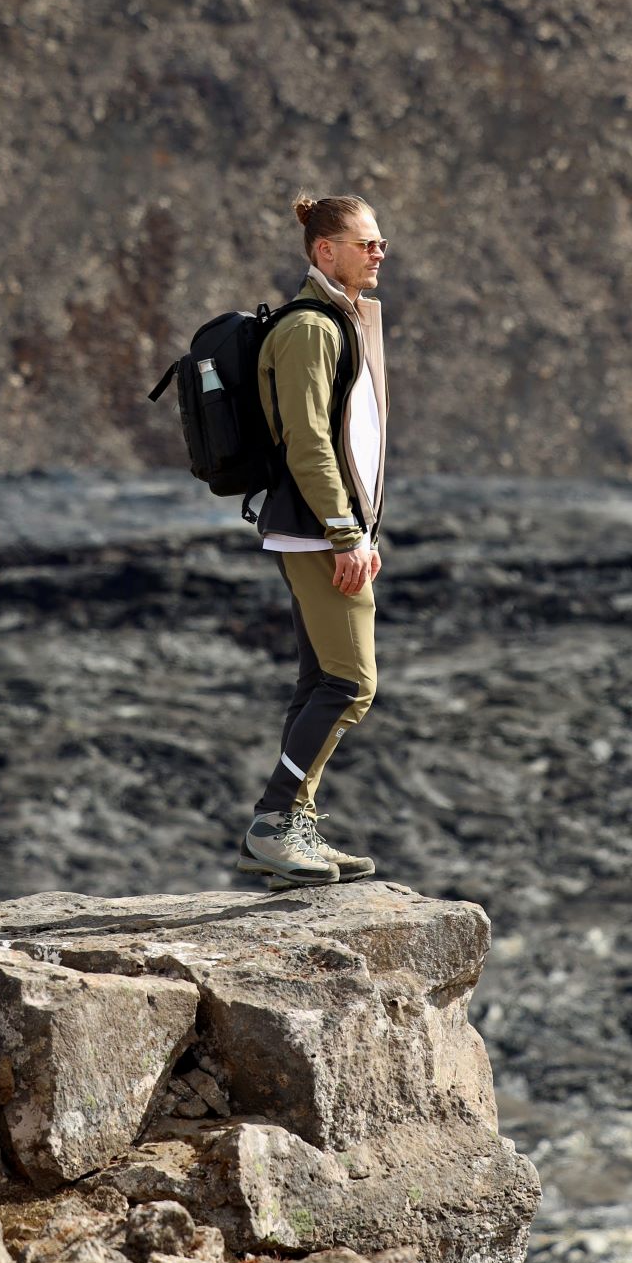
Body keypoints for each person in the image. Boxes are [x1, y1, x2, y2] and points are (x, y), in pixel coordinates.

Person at [238, 192, 389, 887]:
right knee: (350, 683)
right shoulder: (310, 329)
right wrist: (342, 532)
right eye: (366, 242)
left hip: (323, 530)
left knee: (318, 681)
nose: (379, 252)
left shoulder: (336, 320)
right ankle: (274, 822)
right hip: (313, 532)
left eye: (379, 242)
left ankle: (294, 823)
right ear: (325, 251)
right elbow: (307, 442)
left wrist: (362, 528)